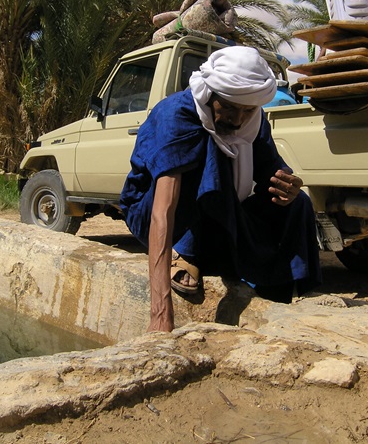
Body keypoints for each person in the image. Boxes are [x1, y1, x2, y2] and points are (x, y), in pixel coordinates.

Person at [120, 46, 322, 332]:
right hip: (154, 212)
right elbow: (163, 210)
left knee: (297, 202)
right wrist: (160, 312)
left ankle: (281, 289)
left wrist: (288, 185)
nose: (238, 119)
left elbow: (271, 171)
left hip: (217, 208)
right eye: (228, 106)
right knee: (210, 153)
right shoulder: (177, 114)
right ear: (210, 94)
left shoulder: (253, 120)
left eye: (247, 110)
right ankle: (186, 251)